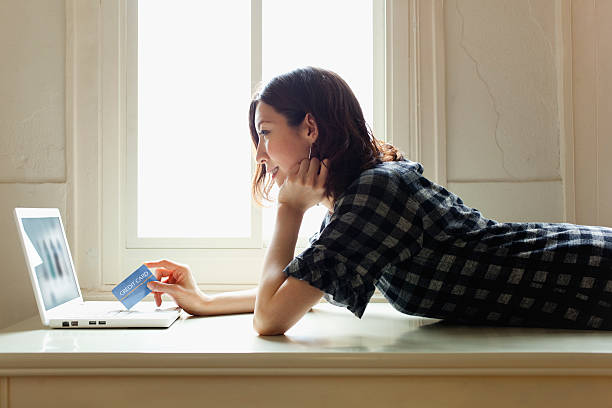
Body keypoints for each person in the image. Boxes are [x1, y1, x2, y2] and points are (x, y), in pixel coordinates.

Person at [146, 66, 612, 335]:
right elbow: (307, 290)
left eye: (266, 133)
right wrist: (204, 302)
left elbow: (272, 318)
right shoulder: (356, 200)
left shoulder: (376, 193)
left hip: (589, 273)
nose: (261, 152)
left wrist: (289, 211)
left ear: (309, 128)